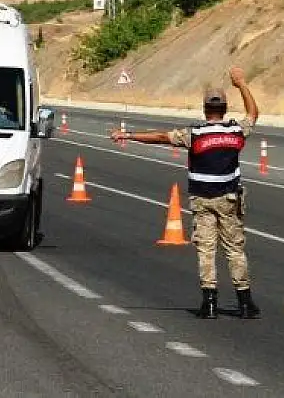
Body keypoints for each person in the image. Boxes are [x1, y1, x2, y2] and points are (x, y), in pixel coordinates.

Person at [108, 66, 262, 320]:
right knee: (234, 249)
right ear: (224, 109)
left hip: (202, 199)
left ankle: (209, 302)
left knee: (206, 249)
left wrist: (127, 135)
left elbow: (160, 137)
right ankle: (244, 302)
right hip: (229, 199)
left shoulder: (194, 135)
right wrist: (241, 83)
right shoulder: (236, 132)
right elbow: (253, 114)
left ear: (205, 110)